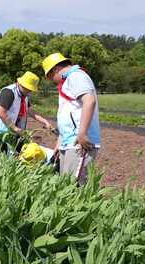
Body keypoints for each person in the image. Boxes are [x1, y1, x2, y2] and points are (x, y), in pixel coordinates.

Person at [42, 53, 101, 185]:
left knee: (75, 188)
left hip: (79, 143)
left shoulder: (76, 76)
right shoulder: (68, 80)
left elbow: (89, 101)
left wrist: (82, 133)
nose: (52, 80)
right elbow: (69, 113)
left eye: (50, 76)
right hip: (68, 142)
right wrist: (60, 141)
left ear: (56, 69)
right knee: (66, 186)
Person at [0, 71, 52, 152]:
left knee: (14, 153)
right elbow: (1, 112)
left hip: (10, 130)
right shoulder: (9, 93)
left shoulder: (25, 96)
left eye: (30, 89)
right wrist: (15, 128)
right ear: (19, 83)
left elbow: (31, 111)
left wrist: (45, 122)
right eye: (27, 88)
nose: (29, 91)